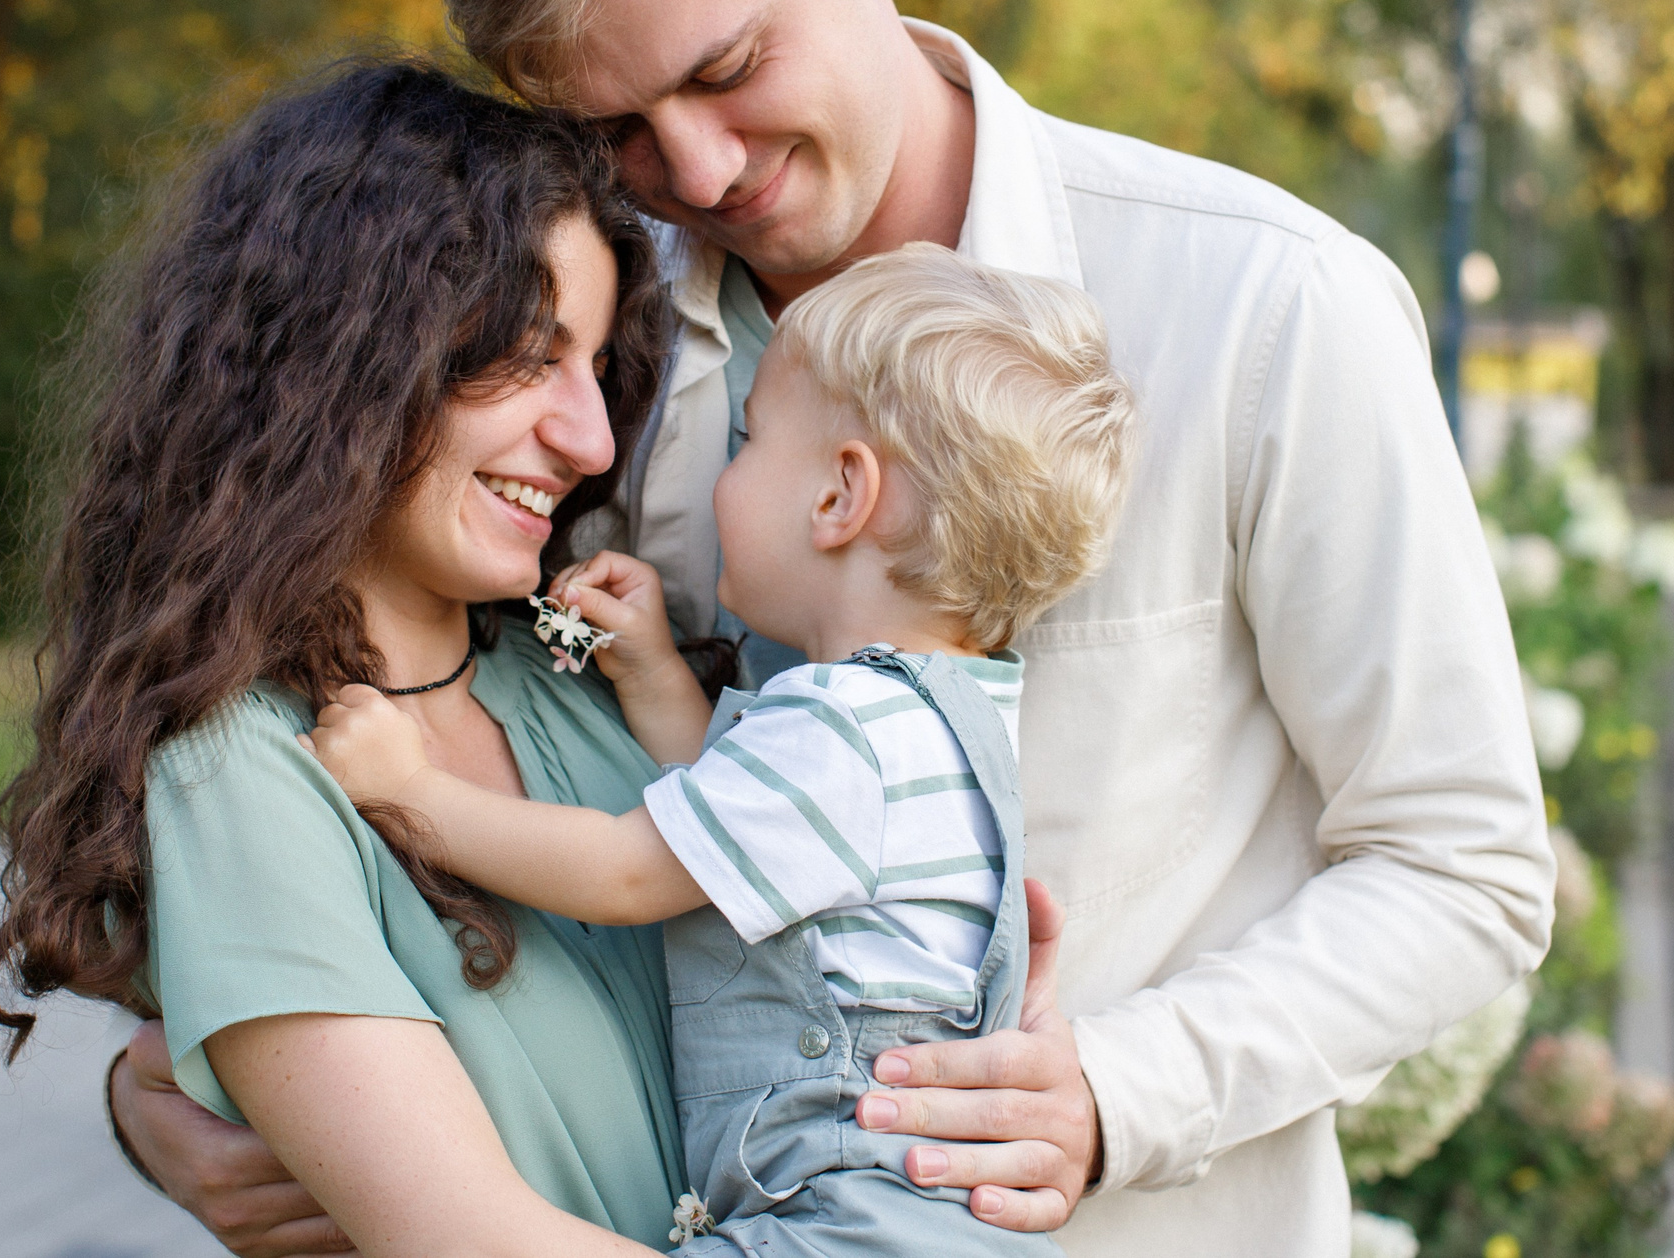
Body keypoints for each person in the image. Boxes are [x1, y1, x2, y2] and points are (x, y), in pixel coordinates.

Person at [118, 0, 1555, 1257]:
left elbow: (1465, 865)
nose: (700, 167)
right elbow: (368, 715)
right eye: (613, 128)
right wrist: (185, 1092)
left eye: (729, 68)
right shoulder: (586, 375)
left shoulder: (1266, 311)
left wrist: (1121, 1089)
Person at [0, 61, 710, 1252]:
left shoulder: (596, 672)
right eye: (527, 354)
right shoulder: (241, 772)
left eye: (597, 369)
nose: (588, 437)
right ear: (344, 363)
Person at [308, 245, 1134, 1256]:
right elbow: (742, 827)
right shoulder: (940, 717)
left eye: (748, 440)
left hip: (848, 1221)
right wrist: (654, 671)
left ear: (839, 496)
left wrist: (410, 788)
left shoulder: (843, 731)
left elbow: (627, 870)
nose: (724, 471)